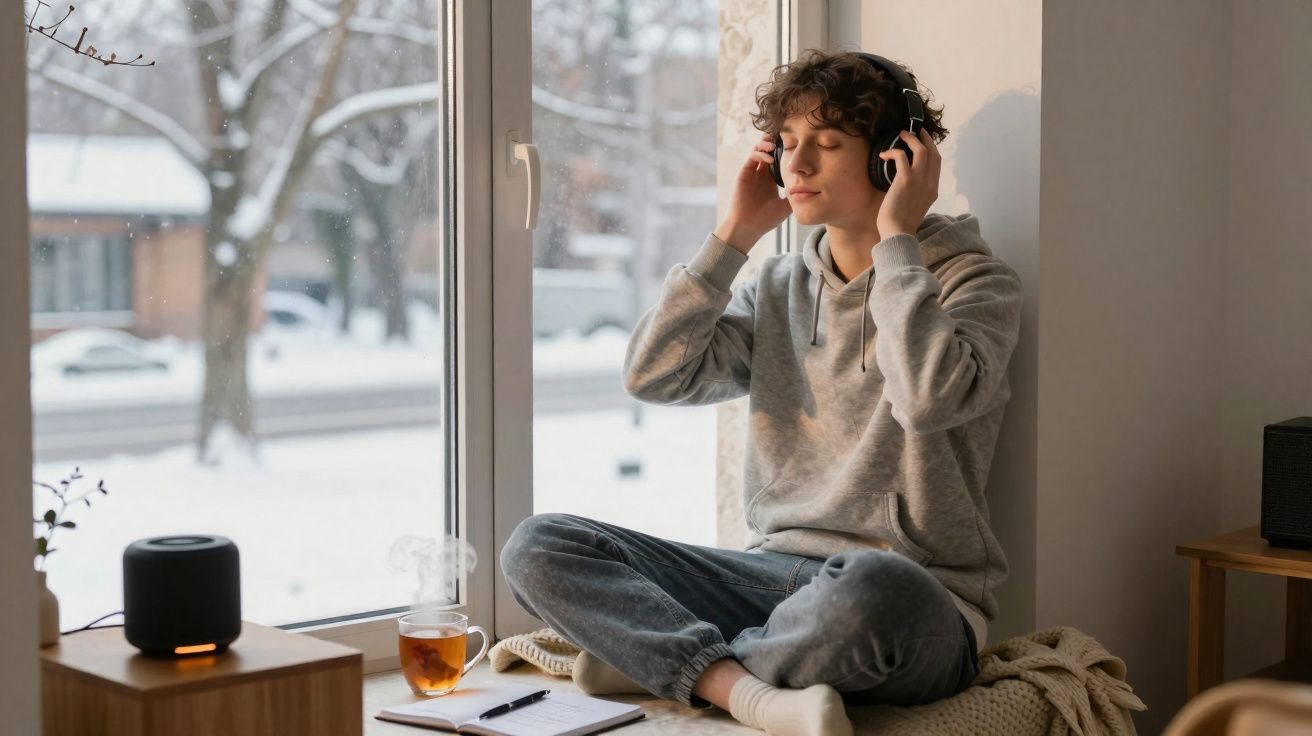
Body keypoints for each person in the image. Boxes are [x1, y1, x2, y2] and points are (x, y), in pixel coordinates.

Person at [501, 48, 1023, 736]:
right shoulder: (778, 285)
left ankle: (669, 662)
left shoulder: (975, 284)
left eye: (828, 144)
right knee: (539, 546)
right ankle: (739, 686)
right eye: (789, 144)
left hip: (911, 598)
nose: (796, 166)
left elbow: (927, 400)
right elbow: (655, 373)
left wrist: (898, 242)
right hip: (768, 582)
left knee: (874, 589)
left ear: (891, 161)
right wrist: (735, 235)